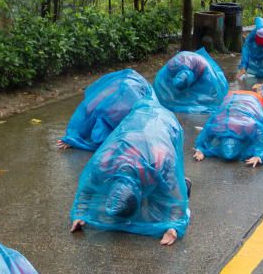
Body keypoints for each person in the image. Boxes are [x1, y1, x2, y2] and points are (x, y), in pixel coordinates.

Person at [70, 98, 190, 245]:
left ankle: (186, 184)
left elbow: (175, 199)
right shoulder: (104, 164)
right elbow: (87, 190)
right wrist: (80, 214)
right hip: (136, 127)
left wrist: (173, 227)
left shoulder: (160, 163)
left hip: (165, 124)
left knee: (169, 189)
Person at [57, 69, 154, 151]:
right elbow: (83, 117)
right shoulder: (97, 106)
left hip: (134, 87)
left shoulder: (137, 108)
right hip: (123, 84)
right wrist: (72, 138)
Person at [193, 90, 263, 167]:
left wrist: (260, 156)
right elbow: (204, 136)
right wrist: (200, 150)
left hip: (252, 98)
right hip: (232, 98)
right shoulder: (217, 126)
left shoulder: (249, 126)